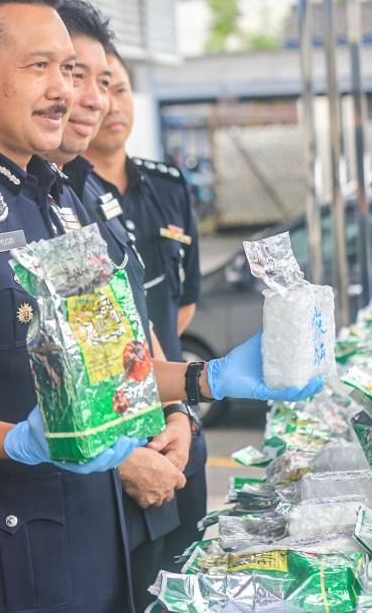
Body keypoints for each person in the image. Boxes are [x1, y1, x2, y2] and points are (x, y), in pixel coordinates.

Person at [0, 0, 322, 613]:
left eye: (69, 68)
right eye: (38, 67)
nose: (62, 91)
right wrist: (22, 441)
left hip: (94, 532)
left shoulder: (64, 198)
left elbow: (115, 371)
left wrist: (205, 381)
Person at [40, 0, 192, 610]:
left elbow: (132, 334)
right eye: (74, 76)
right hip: (63, 513)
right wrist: (116, 458)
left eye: (105, 82)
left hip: (152, 466)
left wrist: (185, 407)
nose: (93, 100)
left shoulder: (76, 200)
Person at [83, 48, 209, 572]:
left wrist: (177, 401)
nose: (109, 102)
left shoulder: (166, 185)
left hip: (176, 420)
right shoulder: (70, 198)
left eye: (119, 87)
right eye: (93, 84)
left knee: (186, 573)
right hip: (114, 443)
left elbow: (179, 306)